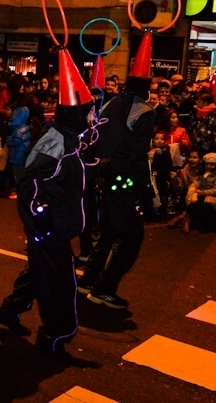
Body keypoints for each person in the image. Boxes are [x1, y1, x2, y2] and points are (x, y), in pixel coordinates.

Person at [0, 44, 97, 361]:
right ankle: (53, 338)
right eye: (88, 110)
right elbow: (30, 183)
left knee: (42, 273)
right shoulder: (57, 140)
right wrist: (43, 221)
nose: (92, 116)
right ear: (75, 112)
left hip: (54, 228)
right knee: (61, 284)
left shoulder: (69, 138)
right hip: (50, 229)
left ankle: (10, 310)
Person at [78, 31, 157, 310]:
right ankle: (105, 287)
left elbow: (98, 138)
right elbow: (135, 153)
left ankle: (89, 280)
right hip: (123, 178)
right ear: (146, 85)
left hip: (104, 174)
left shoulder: (112, 103)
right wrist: (144, 188)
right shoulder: (145, 110)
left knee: (110, 229)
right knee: (132, 236)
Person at [182, 152, 216, 234]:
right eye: (207, 164)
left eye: (212, 164)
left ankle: (184, 218)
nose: (209, 166)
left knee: (202, 203)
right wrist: (192, 189)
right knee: (192, 200)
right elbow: (197, 182)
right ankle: (186, 219)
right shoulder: (204, 173)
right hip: (203, 194)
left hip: (215, 197)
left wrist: (202, 192)